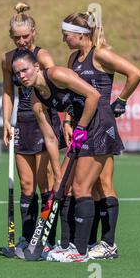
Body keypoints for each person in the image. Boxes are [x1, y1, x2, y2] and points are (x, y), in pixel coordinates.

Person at [57, 10, 140, 260]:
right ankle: (102, 243)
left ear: (80, 35)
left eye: (66, 35)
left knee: (90, 185)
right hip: (84, 124)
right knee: (98, 185)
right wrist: (68, 120)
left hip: (100, 125)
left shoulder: (101, 54)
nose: (64, 40)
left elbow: (135, 73)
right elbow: (74, 95)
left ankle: (106, 244)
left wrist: (122, 100)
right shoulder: (73, 58)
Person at [12, 49, 101, 262]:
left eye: (25, 70)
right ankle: (66, 245)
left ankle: (81, 251)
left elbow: (94, 95)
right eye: (17, 73)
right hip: (81, 128)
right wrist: (57, 171)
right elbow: (51, 139)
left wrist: (79, 126)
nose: (22, 76)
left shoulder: (56, 74)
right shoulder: (35, 99)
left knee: (80, 188)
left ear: (37, 67)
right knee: (64, 186)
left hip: (97, 124)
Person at [1, 2, 64, 256]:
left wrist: (66, 119)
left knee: (44, 182)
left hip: (45, 121)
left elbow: (56, 88)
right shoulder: (7, 59)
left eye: (25, 36)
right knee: (26, 185)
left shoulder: (43, 56)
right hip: (22, 123)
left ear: (34, 32)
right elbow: (7, 91)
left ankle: (47, 238)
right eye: (16, 37)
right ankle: (27, 238)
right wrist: (6, 121)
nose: (21, 41)